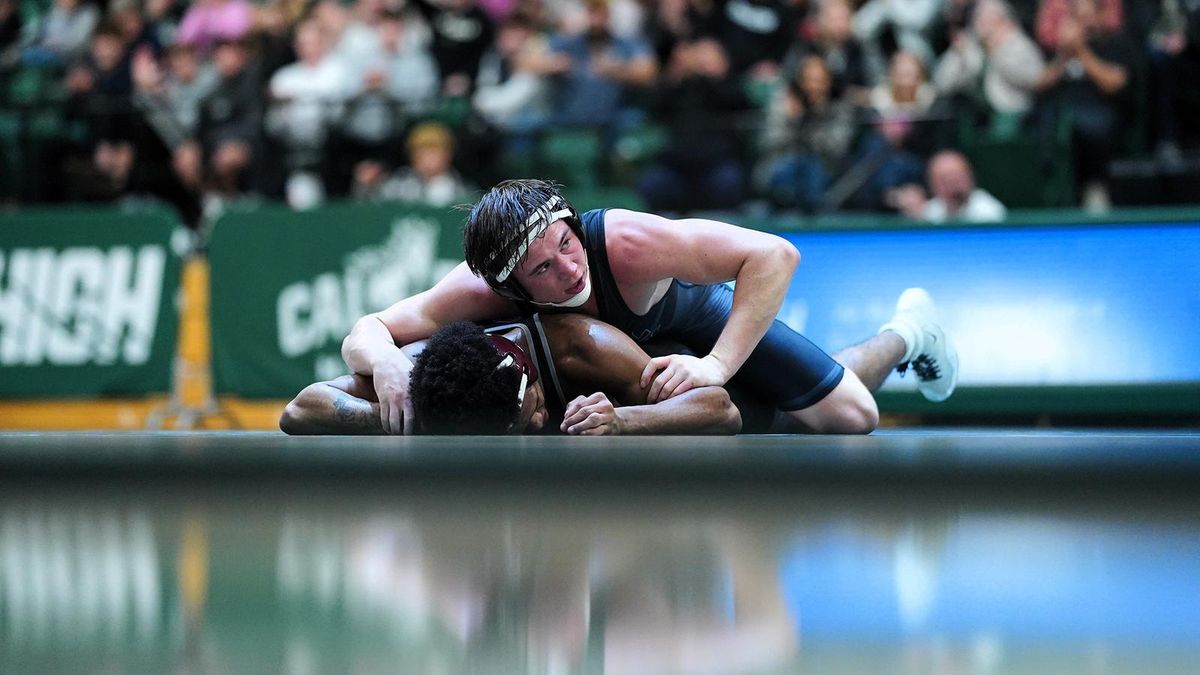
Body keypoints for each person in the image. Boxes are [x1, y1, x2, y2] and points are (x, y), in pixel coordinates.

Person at [341, 179, 959, 435]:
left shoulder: (625, 243)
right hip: (622, 362)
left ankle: (907, 332)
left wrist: (716, 365)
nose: (570, 267)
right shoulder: (477, 290)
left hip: (694, 318)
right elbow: (366, 330)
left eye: (566, 243)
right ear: (512, 288)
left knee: (853, 416)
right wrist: (388, 362)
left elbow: (774, 257)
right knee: (749, 424)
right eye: (544, 270)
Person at [284, 313, 745, 435]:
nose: (541, 420)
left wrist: (625, 421)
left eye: (536, 405)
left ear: (532, 374)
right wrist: (421, 419)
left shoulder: (584, 347)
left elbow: (722, 410)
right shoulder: (424, 374)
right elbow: (300, 408)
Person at [888, 149, 1007, 222]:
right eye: (944, 179)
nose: (953, 184)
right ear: (933, 184)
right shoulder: (928, 213)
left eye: (957, 176)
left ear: (970, 177)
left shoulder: (989, 212)